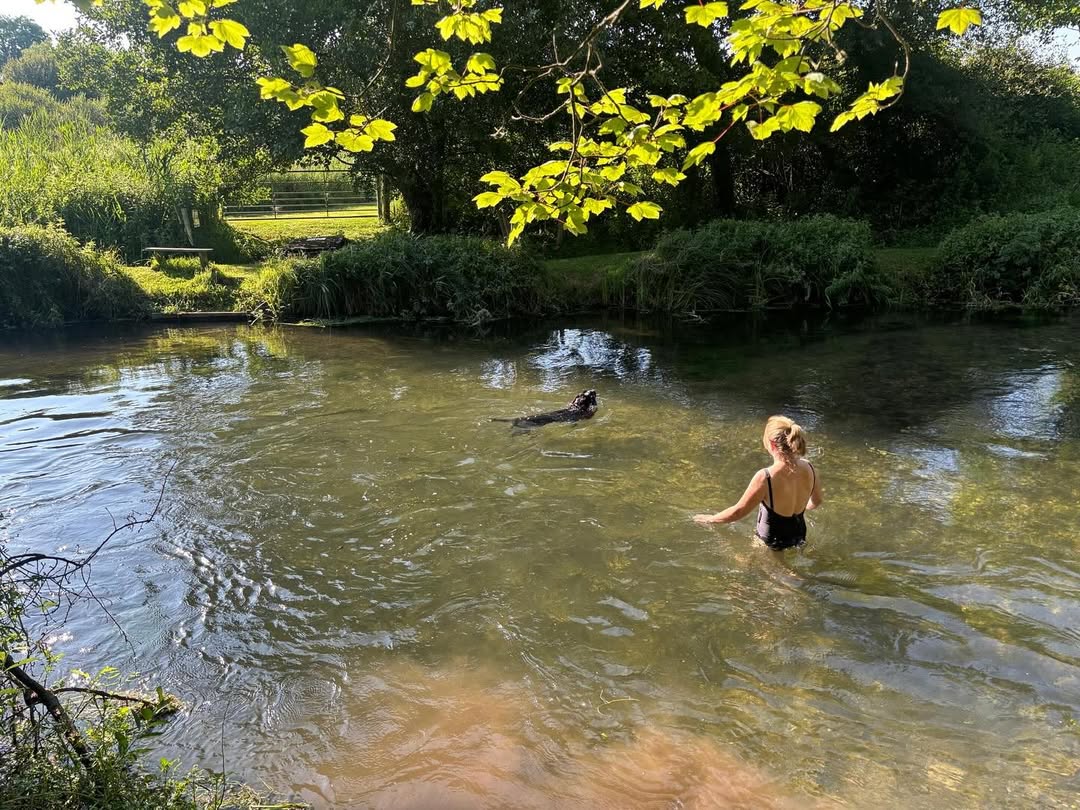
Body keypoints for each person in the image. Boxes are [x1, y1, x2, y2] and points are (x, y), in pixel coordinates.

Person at [694, 416, 823, 550]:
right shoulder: (809, 467)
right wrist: (800, 505)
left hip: (772, 538)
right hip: (799, 532)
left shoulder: (766, 476)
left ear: (772, 444)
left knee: (743, 560)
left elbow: (738, 512)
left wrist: (710, 519)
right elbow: (817, 501)